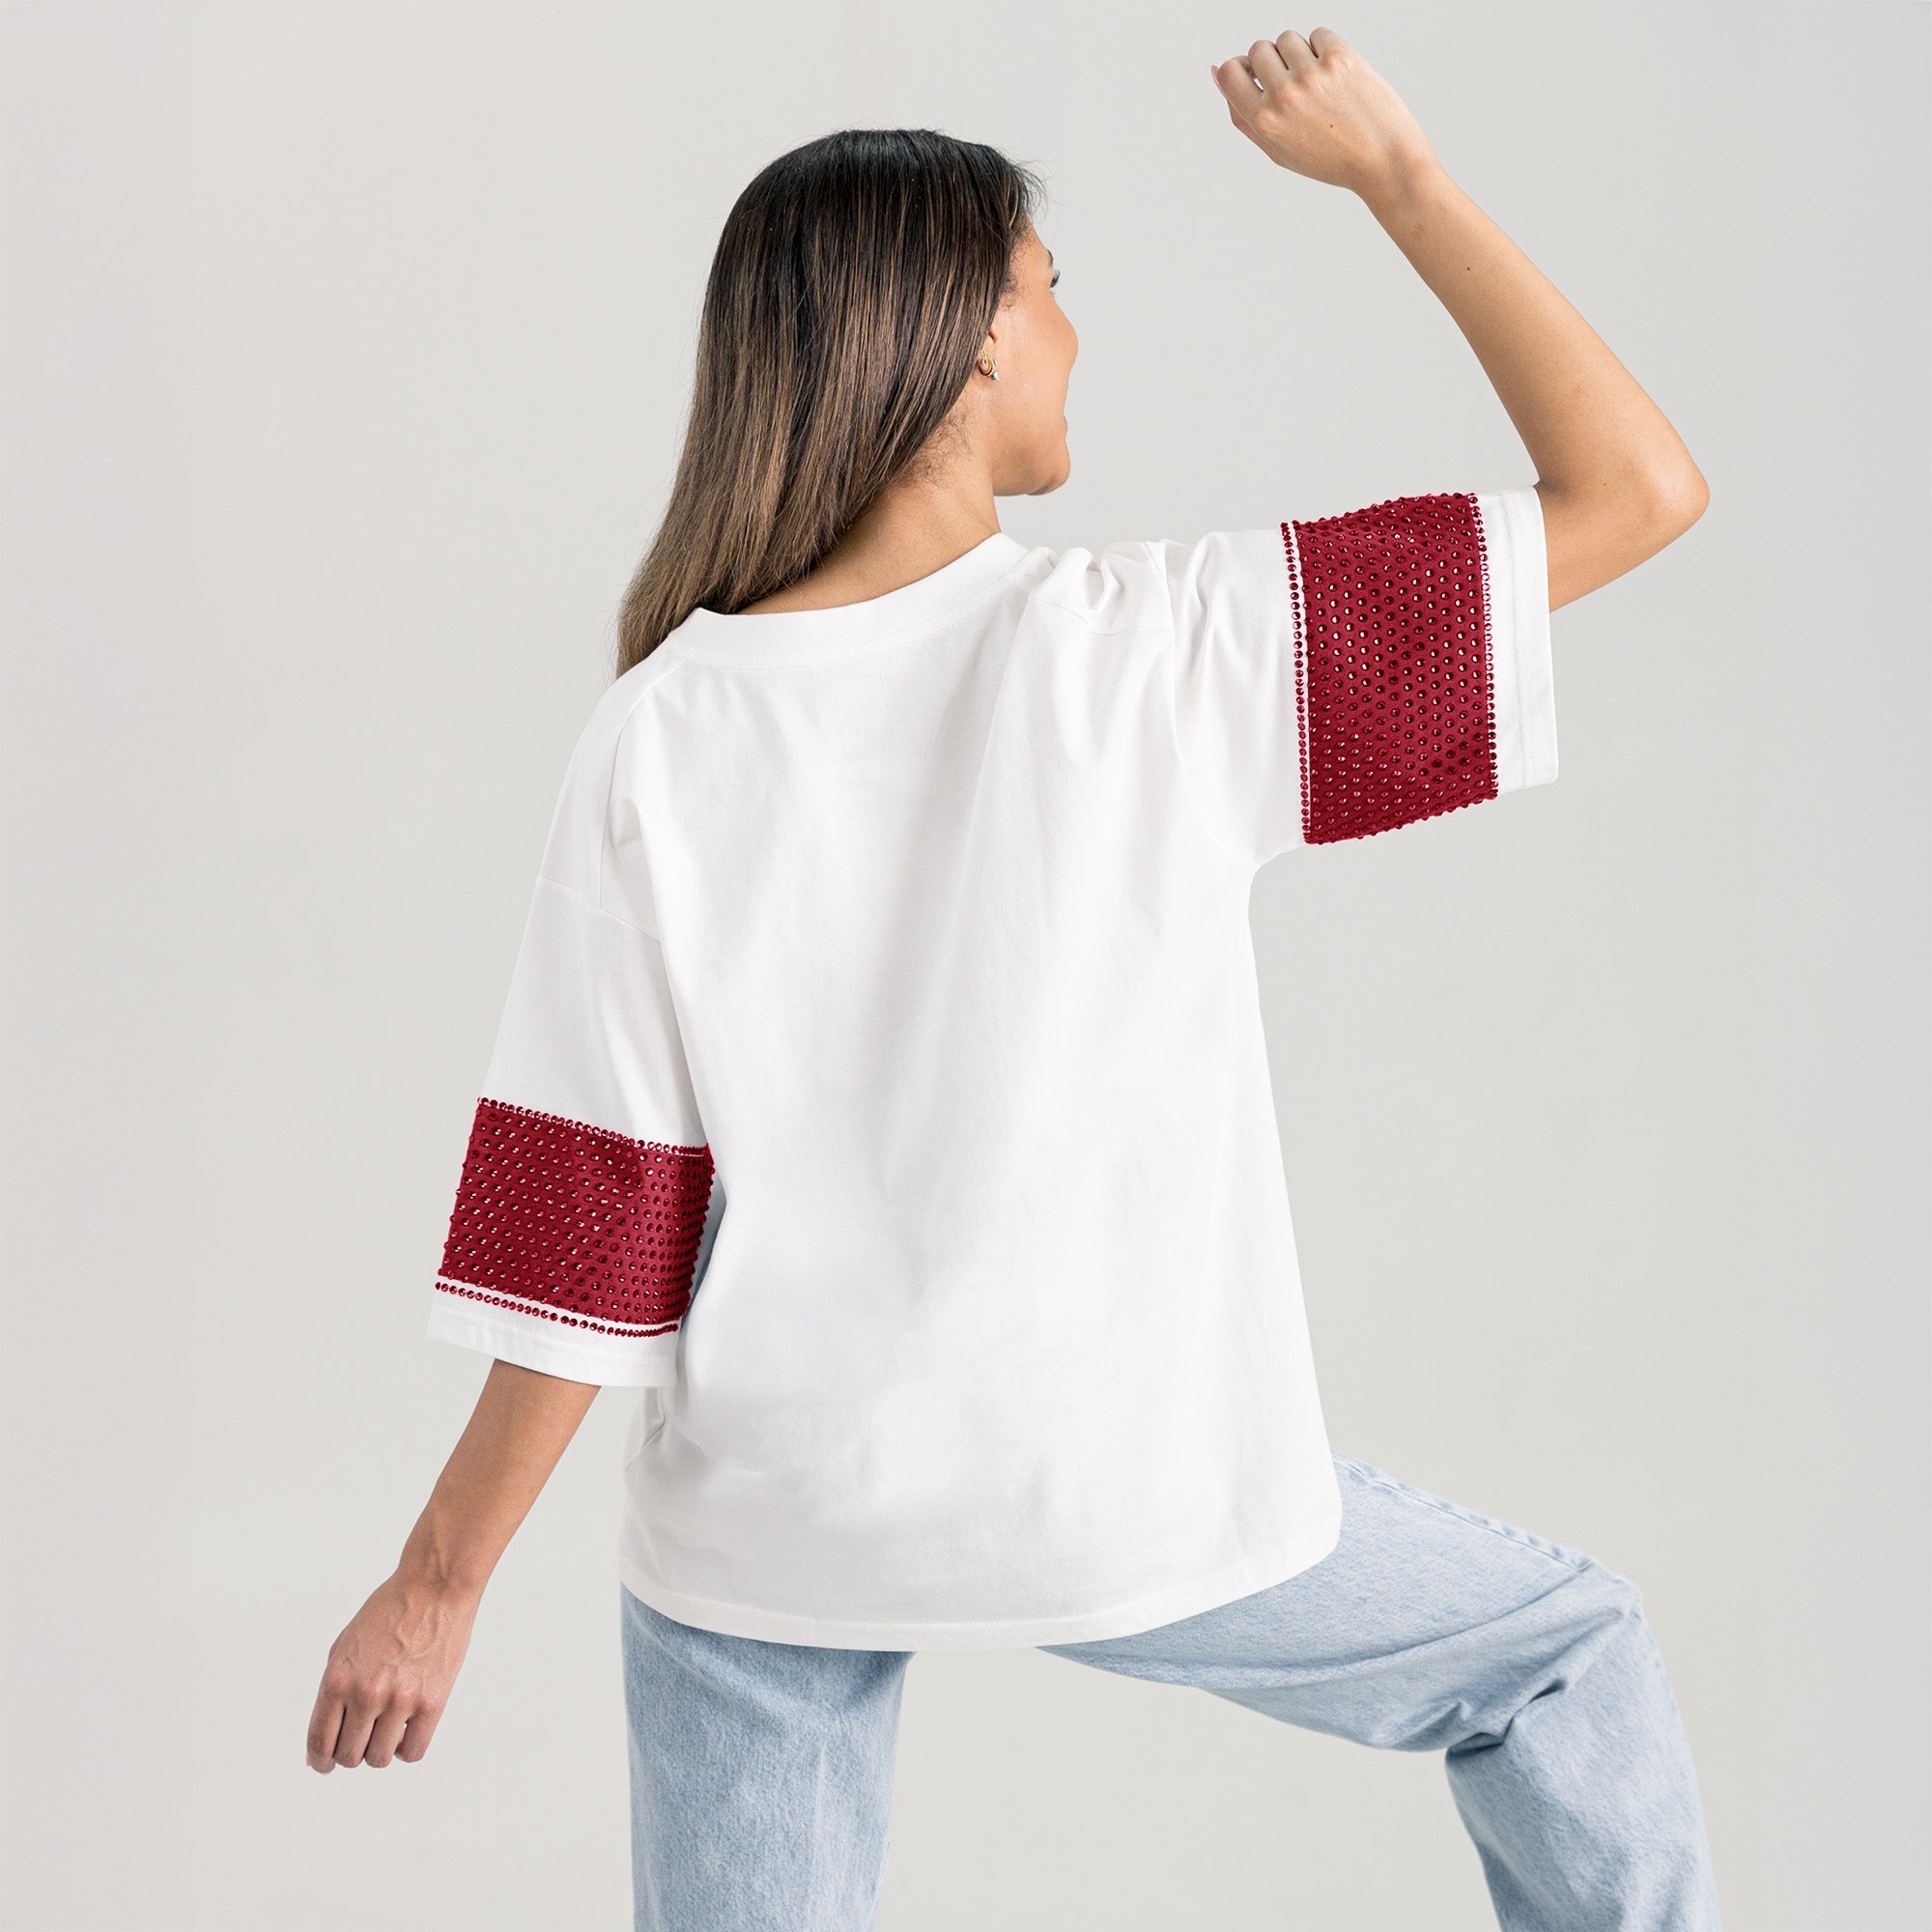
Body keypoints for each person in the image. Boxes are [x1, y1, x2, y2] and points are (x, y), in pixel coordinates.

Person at [306, 26, 1720, 1932]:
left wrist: (438, 1582)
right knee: (1563, 1657)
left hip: (775, 1527)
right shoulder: (1168, 655)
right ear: (970, 340)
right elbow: (1636, 487)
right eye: (1052, 290)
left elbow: (601, 1218)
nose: (1073, 334)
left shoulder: (663, 727)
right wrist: (1401, 178)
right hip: (1114, 1491)